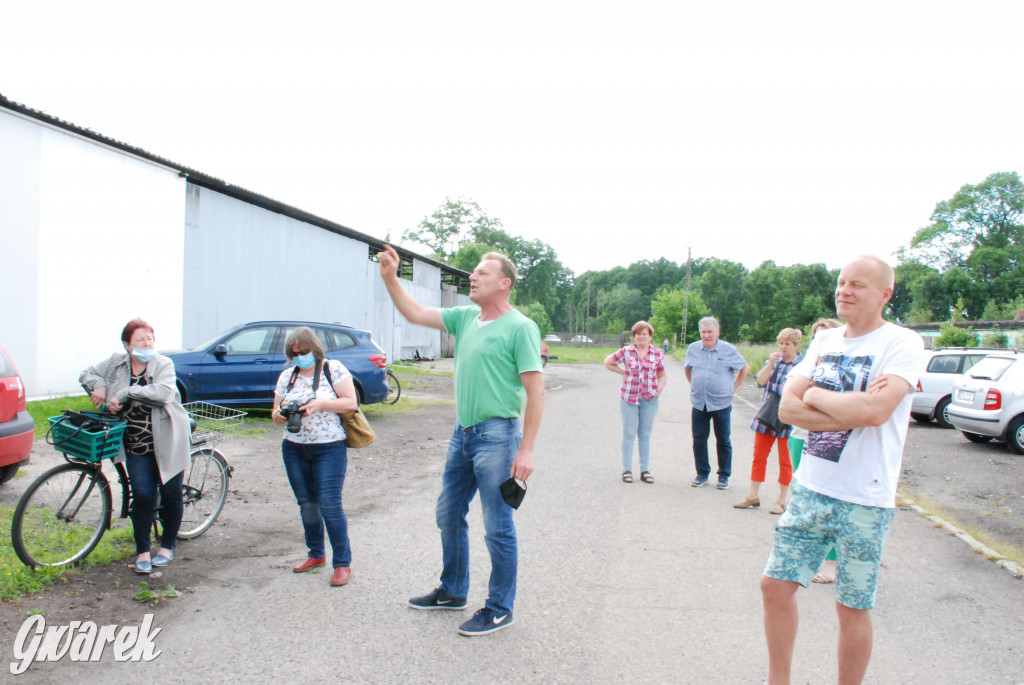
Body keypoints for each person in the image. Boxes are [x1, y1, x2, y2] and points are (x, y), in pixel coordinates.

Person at [760, 256, 924, 685]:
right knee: (775, 587)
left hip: (865, 500)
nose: (845, 290)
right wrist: (850, 409)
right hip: (811, 487)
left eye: (858, 285)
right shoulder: (825, 341)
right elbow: (788, 407)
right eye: (841, 282)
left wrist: (816, 395)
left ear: (885, 294)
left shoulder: (902, 343)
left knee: (852, 607)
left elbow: (876, 411)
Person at [377, 244, 544, 637]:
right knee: (448, 514)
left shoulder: (521, 327)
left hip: (498, 437)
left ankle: (500, 608)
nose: (473, 276)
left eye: (482, 273)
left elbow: (536, 393)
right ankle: (453, 591)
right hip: (463, 433)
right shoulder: (467, 317)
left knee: (497, 526)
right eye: (473, 271)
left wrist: (527, 449)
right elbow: (416, 313)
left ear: (505, 283)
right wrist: (389, 277)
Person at [80, 319, 191, 575]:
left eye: (150, 339)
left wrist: (126, 393)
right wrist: (100, 385)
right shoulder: (117, 362)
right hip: (135, 444)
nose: (147, 344)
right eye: (140, 340)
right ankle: (142, 549)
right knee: (142, 495)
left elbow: (163, 393)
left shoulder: (163, 364)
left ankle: (167, 545)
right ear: (127, 344)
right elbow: (87, 372)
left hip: (168, 438)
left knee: (171, 493)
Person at [272, 326, 359, 587]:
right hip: (294, 447)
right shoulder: (287, 376)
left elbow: (350, 402)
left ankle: (342, 563)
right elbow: (274, 412)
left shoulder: (333, 369)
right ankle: (316, 554)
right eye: (295, 353)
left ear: (315, 348)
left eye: (304, 351)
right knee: (307, 503)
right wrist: (282, 414)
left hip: (328, 447)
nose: (300, 356)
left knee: (330, 504)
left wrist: (320, 404)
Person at [787, 317, 842, 583]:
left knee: (827, 501)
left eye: (826, 335)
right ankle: (811, 554)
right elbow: (788, 407)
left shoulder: (842, 370)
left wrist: (812, 399)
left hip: (830, 440)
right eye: (816, 336)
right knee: (803, 497)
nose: (820, 340)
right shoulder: (805, 367)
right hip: (799, 435)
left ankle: (832, 560)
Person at [734, 328, 803, 514]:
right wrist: (771, 363)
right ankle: (753, 495)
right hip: (768, 413)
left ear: (795, 345)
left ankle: (781, 500)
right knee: (759, 456)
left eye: (787, 344)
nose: (783, 347)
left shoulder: (802, 365)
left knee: (785, 460)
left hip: (788, 416)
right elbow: (761, 382)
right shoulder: (775, 361)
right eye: (781, 343)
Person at [683, 316, 749, 489]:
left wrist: (733, 388)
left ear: (717, 332)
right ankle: (702, 474)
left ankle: (723, 476)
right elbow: (687, 369)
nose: (706, 336)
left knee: (723, 440)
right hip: (699, 402)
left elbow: (744, 368)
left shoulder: (728, 350)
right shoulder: (693, 349)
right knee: (699, 440)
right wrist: (695, 386)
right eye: (703, 332)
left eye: (710, 332)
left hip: (721, 403)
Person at [604, 321, 667, 484]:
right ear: (634, 336)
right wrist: (622, 372)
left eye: (644, 334)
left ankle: (645, 470)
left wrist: (658, 391)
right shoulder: (626, 351)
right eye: (638, 334)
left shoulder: (657, 353)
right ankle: (627, 469)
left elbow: (662, 375)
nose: (641, 336)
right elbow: (608, 362)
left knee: (645, 434)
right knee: (629, 433)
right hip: (629, 398)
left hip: (649, 399)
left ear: (650, 336)